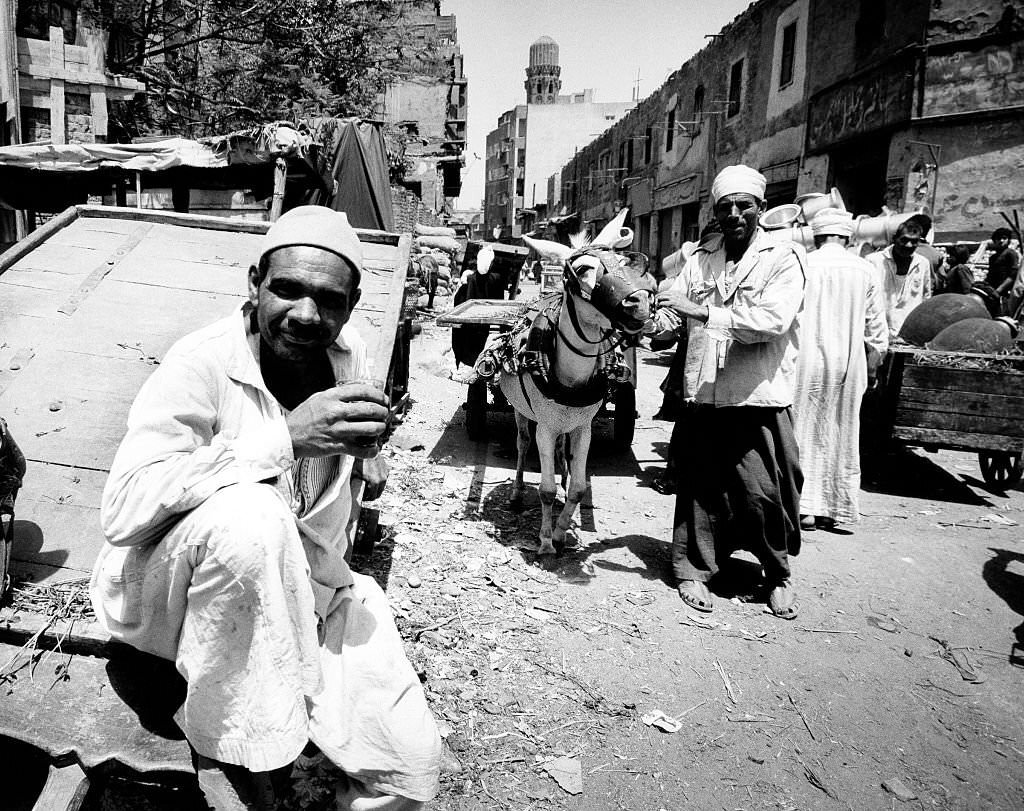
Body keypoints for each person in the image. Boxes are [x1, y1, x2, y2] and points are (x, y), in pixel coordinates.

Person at [89, 206, 441, 811]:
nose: (306, 316)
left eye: (329, 300)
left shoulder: (343, 356)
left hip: (310, 589)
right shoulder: (201, 362)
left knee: (409, 772)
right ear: (254, 283)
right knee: (254, 515)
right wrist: (287, 438)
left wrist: (363, 453)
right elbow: (123, 509)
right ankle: (226, 744)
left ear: (352, 305)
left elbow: (341, 451)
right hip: (179, 592)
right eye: (287, 289)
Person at [653, 165, 806, 620]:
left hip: (756, 395)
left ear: (760, 208)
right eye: (725, 207)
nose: (735, 214)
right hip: (704, 394)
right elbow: (671, 313)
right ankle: (695, 570)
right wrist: (647, 321)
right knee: (700, 488)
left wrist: (698, 313)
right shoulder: (701, 259)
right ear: (715, 212)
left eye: (744, 206)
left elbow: (770, 324)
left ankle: (777, 575)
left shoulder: (783, 257)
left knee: (763, 494)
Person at [792, 209, 888, 531]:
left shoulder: (803, 263)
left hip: (804, 360)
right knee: (842, 431)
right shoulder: (865, 269)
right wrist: (873, 367)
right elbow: (876, 330)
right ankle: (834, 507)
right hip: (849, 363)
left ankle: (803, 507)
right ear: (847, 238)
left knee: (802, 430)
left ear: (816, 236)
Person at [866, 219, 932, 340]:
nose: (908, 245)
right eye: (904, 240)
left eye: (914, 241)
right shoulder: (874, 261)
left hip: (909, 335)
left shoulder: (922, 263)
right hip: (878, 333)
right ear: (894, 239)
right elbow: (866, 300)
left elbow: (925, 298)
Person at [985, 227, 1020, 314]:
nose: (1001, 241)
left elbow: (1013, 275)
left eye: (1004, 238)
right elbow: (990, 275)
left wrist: (999, 290)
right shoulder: (993, 258)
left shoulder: (1010, 253)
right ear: (994, 240)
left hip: (1006, 293)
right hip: (993, 290)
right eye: (998, 238)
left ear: (1008, 240)